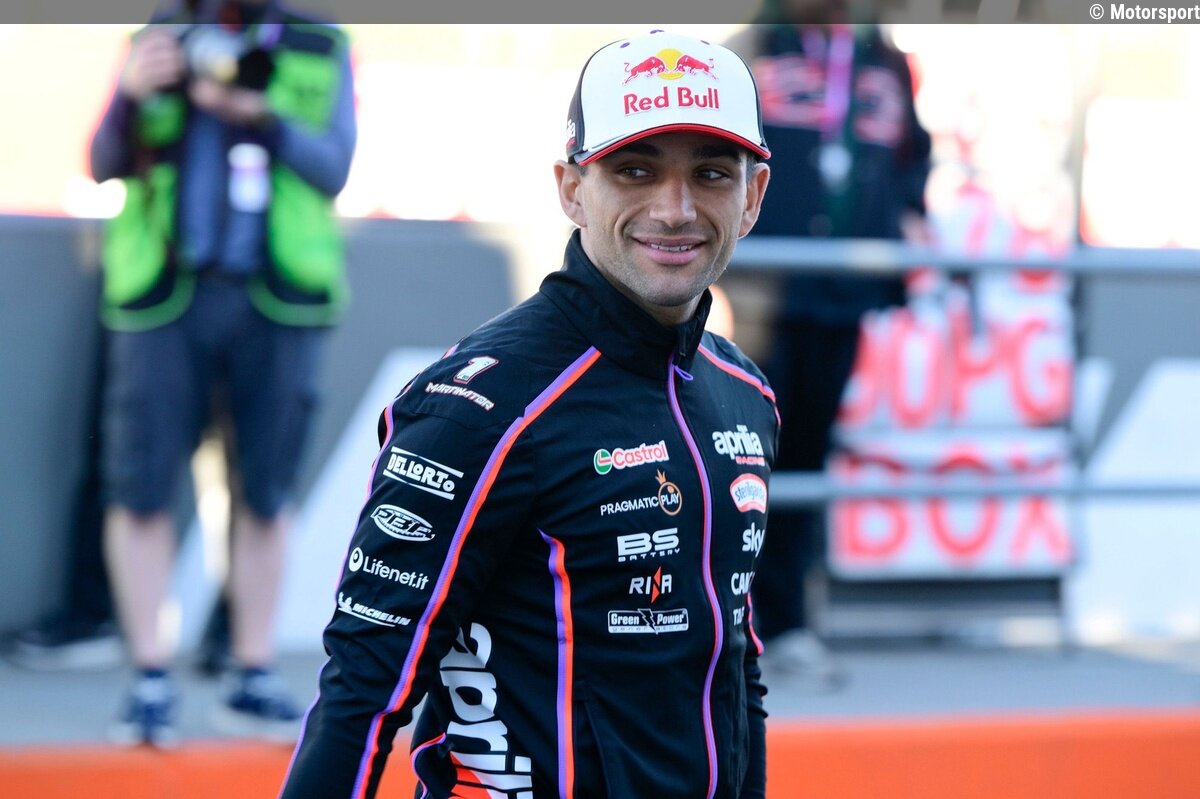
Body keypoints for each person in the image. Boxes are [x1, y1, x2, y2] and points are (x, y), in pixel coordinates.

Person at [280, 29, 776, 799]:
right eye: (635, 170)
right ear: (572, 188)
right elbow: (362, 691)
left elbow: (737, 669)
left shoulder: (745, 394)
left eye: (710, 173)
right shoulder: (483, 404)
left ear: (752, 196)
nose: (675, 208)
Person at [91, 0, 356, 747]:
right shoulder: (161, 33)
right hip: (163, 293)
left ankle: (252, 671)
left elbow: (333, 168)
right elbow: (103, 162)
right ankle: (149, 677)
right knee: (141, 487)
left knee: (267, 492)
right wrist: (131, 95)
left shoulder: (318, 43)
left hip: (280, 297)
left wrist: (261, 116)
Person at [727, 0, 932, 681]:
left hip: (845, 295)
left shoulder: (884, 58)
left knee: (809, 456)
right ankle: (726, 622)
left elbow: (913, 157)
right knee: (742, 458)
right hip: (760, 294)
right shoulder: (751, 47)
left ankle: (786, 623)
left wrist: (906, 215)